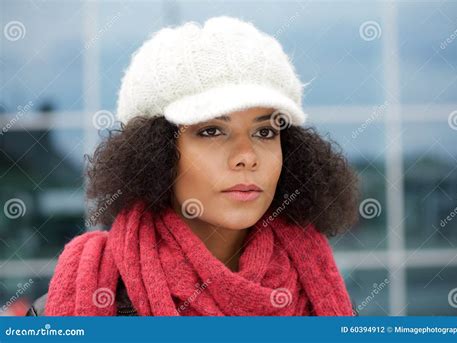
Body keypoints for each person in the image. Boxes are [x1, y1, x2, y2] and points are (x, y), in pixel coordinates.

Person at [26, 16, 360, 316]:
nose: (247, 155)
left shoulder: (322, 299)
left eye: (265, 131)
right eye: (212, 131)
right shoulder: (81, 305)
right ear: (154, 152)